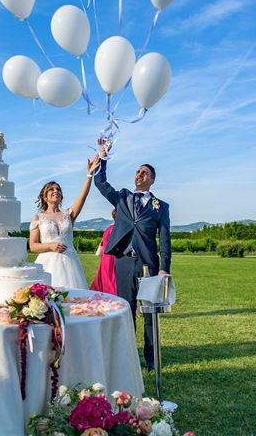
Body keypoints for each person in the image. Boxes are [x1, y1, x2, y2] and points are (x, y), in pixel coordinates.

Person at [93, 142, 171, 371]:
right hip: (124, 263)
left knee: (149, 316)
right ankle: (127, 358)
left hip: (148, 265)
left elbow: (165, 240)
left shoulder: (161, 207)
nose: (139, 174)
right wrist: (103, 158)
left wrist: (164, 267)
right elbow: (100, 182)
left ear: (152, 180)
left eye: (144, 172)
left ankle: (152, 361)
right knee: (126, 312)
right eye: (137, 171)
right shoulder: (122, 197)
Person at [30, 155, 101, 289]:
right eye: (51, 189)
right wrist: (50, 246)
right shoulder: (38, 218)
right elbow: (33, 246)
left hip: (70, 263)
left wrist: (89, 174)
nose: (55, 191)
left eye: (58, 189)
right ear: (45, 197)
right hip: (47, 264)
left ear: (61, 195)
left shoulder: (69, 214)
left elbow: (82, 196)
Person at [90, 209, 118, 295]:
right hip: (112, 256)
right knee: (111, 278)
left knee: (105, 276)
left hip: (105, 257)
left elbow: (103, 242)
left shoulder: (108, 228)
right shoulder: (116, 228)